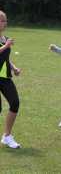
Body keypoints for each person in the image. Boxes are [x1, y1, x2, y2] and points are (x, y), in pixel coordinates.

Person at [0, 10, 21, 149]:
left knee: (15, 102)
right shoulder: (5, 42)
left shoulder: (4, 38)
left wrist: (13, 68)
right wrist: (5, 46)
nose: (4, 23)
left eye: (5, 20)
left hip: (5, 76)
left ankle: (7, 136)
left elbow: (5, 58)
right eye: (2, 20)